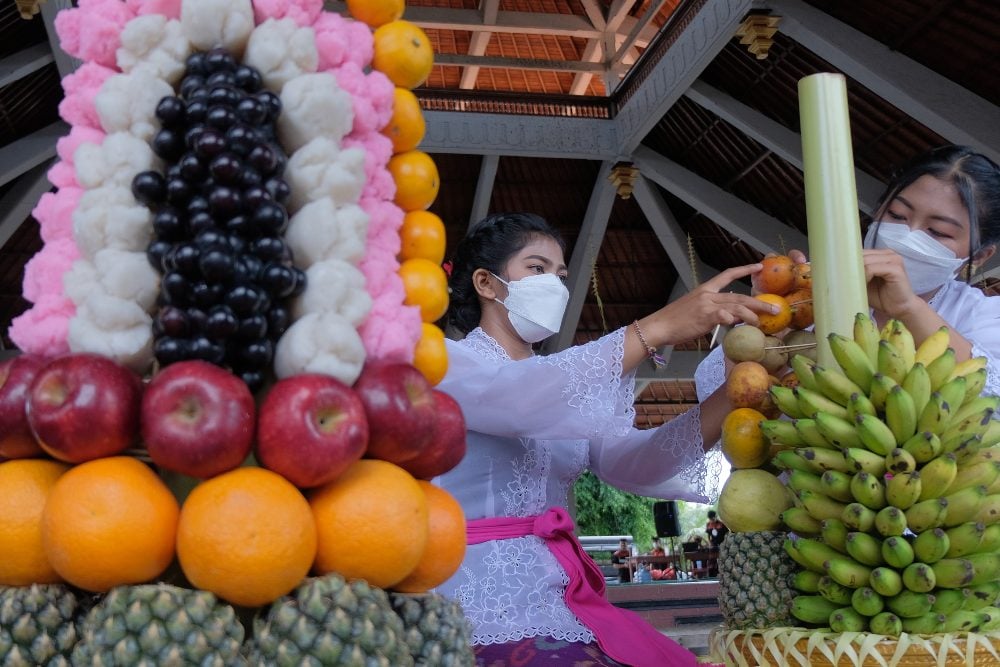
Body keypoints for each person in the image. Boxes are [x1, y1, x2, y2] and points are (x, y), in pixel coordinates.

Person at [432, 212, 776, 666]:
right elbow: (514, 400)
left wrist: (736, 390)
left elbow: (635, 463)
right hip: (475, 600)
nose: (554, 284)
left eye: (560, 275)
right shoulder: (446, 361)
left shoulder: (566, 387)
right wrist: (655, 328)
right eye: (537, 269)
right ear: (486, 283)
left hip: (558, 595)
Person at [695, 145, 1000, 409]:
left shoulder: (984, 317)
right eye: (895, 215)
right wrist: (766, 327)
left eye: (937, 232)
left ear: (982, 255)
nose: (907, 236)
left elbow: (991, 402)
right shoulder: (810, 291)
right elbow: (725, 412)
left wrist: (909, 308)